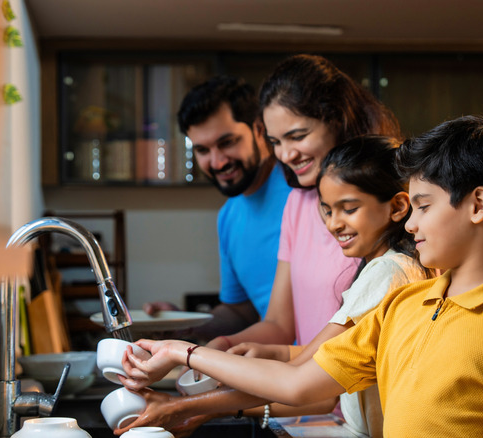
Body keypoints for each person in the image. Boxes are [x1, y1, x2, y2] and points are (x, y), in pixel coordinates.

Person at [122, 115, 483, 437]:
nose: (410, 222)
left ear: (478, 205)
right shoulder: (404, 307)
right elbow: (297, 385)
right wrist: (184, 353)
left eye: (422, 206)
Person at [116, 54, 402, 437]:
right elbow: (294, 341)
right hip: (320, 414)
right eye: (276, 141)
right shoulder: (299, 203)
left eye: (297, 136)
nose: (285, 154)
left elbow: (317, 378)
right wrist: (224, 349)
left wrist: (189, 393)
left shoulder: (389, 256)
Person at [143, 76, 292, 341]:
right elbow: (241, 312)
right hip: (281, 369)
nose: (217, 161)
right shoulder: (228, 217)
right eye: (202, 149)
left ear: (259, 130)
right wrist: (183, 323)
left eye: (227, 142)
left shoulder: (301, 189)